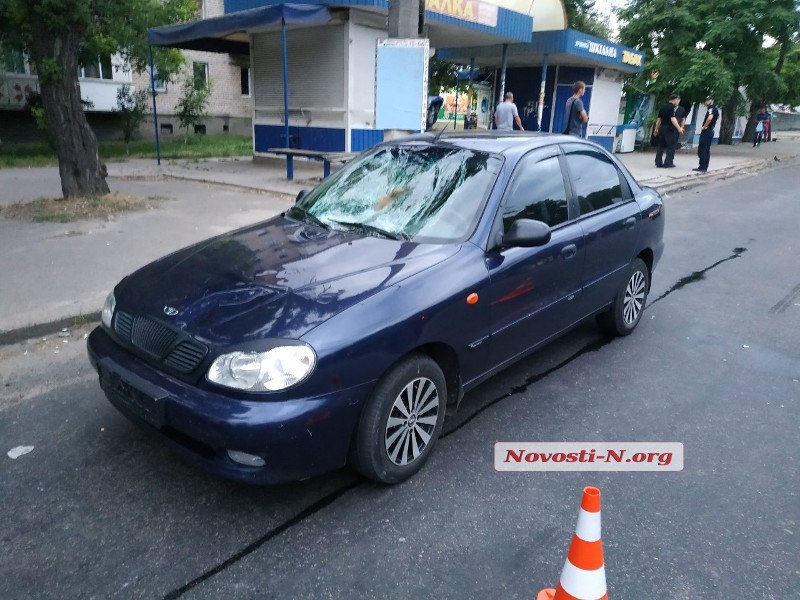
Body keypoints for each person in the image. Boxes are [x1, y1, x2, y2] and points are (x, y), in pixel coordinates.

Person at [653, 93, 684, 168]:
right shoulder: (672, 107)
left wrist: (656, 129)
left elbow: (659, 119)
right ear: (675, 99)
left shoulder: (663, 107)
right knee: (671, 146)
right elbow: (672, 119)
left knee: (661, 146)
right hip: (669, 129)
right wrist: (679, 128)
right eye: (678, 100)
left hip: (662, 128)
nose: (678, 102)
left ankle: (658, 162)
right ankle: (668, 163)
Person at [693, 95, 719, 173]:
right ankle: (704, 167)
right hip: (710, 131)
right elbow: (717, 117)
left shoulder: (711, 108)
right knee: (706, 149)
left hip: (707, 131)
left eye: (707, 100)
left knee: (702, 149)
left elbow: (710, 118)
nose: (706, 102)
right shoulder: (715, 109)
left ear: (711, 101)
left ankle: (702, 167)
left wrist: (705, 126)